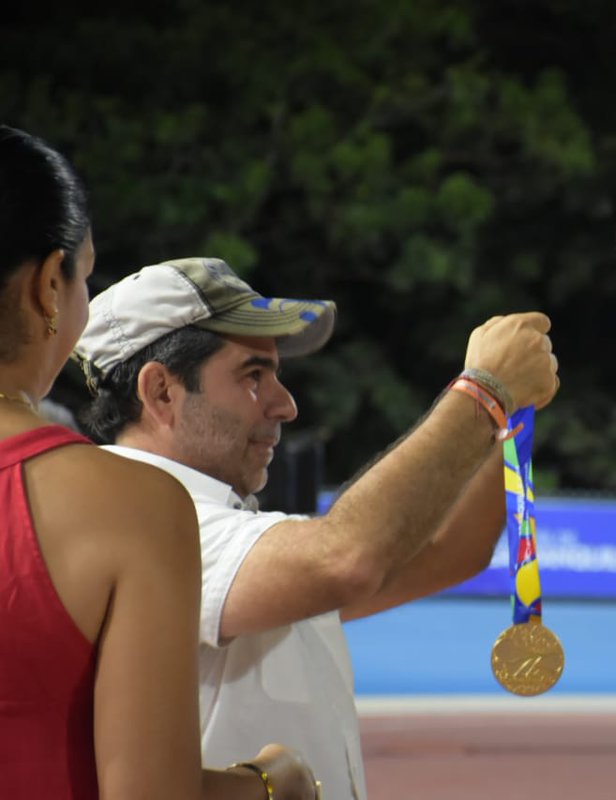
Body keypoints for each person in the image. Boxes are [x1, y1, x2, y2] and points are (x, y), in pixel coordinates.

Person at [72, 254, 559, 797]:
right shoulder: (145, 522)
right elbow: (347, 557)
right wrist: (484, 394)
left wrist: (510, 416)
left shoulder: (210, 527)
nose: (286, 404)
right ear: (161, 391)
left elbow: (451, 552)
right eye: (253, 376)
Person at [0, 126, 318, 798]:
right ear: (45, 287)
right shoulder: (127, 508)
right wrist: (273, 784)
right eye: (83, 275)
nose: (283, 405)